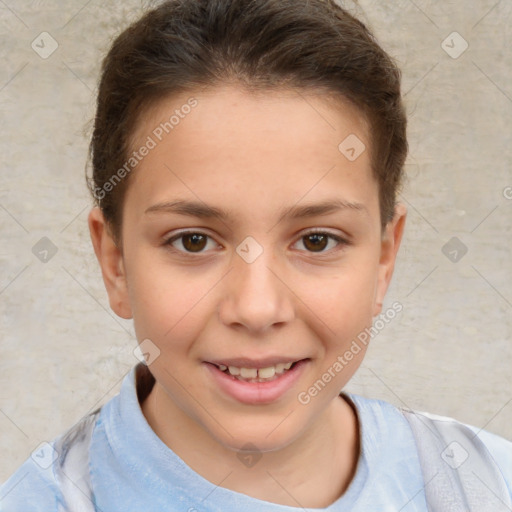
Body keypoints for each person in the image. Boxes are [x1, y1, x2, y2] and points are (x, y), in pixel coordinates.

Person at [1, 0, 511, 510]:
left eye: (317, 240)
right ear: (115, 264)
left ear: (384, 259)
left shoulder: (487, 486)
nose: (257, 308)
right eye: (193, 241)